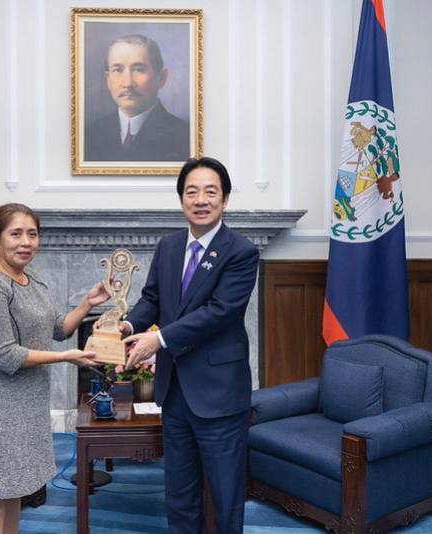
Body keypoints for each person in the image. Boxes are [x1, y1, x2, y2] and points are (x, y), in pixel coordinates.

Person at [120, 157, 260, 533]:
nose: (200, 200)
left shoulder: (241, 251)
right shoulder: (168, 246)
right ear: (181, 198)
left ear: (225, 199)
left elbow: (220, 312)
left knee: (225, 496)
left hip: (219, 393)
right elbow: (152, 298)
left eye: (210, 192)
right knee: (180, 494)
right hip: (175, 390)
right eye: (191, 192)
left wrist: (159, 339)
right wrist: (128, 324)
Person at [0, 203, 110, 533]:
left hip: (27, 401)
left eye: (32, 234)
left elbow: (58, 328)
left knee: (14, 491)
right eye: (16, 234)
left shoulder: (33, 278)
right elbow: (5, 355)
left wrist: (87, 303)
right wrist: (66, 357)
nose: (26, 242)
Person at [84, 34, 190, 162]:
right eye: (117, 70)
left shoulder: (184, 136)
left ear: (161, 78)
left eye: (139, 69)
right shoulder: (90, 134)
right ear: (108, 80)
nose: (128, 83)